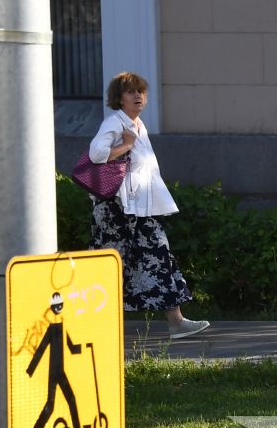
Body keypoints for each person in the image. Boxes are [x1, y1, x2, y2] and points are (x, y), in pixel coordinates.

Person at [88, 71, 209, 338]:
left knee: (158, 255)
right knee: (110, 264)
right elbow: (96, 154)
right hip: (116, 211)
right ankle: (92, 322)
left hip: (139, 210)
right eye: (131, 92)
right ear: (119, 98)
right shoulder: (116, 123)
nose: (138, 96)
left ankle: (176, 322)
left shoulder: (137, 124)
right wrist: (126, 145)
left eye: (141, 91)